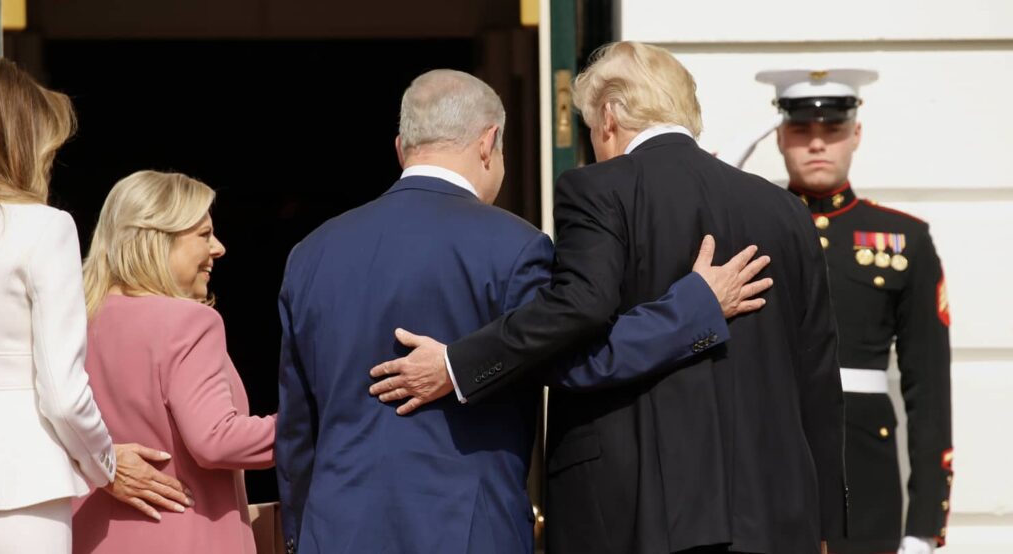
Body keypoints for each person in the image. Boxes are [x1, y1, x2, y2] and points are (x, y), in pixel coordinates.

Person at [372, 44, 847, 554]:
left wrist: (457, 364)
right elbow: (817, 374)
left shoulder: (597, 189)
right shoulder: (786, 210)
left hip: (641, 515)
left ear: (610, 116)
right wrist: (825, 526)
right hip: (780, 517)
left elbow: (576, 319)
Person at [277, 69, 773, 554]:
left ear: (402, 147)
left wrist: (302, 532)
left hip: (334, 529)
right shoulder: (513, 246)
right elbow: (582, 359)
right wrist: (694, 307)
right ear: (489, 142)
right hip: (468, 531)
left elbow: (297, 429)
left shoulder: (312, 253)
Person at [742, 68, 953, 554]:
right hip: (764, 463)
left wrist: (923, 526)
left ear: (856, 134)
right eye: (801, 130)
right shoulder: (748, 224)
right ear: (779, 137)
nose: (817, 144)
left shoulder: (904, 240)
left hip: (864, 475)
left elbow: (929, 387)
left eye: (832, 129)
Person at [0, 58, 194, 553]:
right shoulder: (43, 227)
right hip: (21, 486)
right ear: (25, 144)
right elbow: (61, 391)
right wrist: (105, 463)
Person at [72, 171, 276, 554]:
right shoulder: (190, 322)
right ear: (157, 239)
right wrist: (313, 426)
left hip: (88, 538)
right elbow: (216, 439)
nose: (219, 248)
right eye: (203, 234)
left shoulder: (72, 322)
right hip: (188, 536)